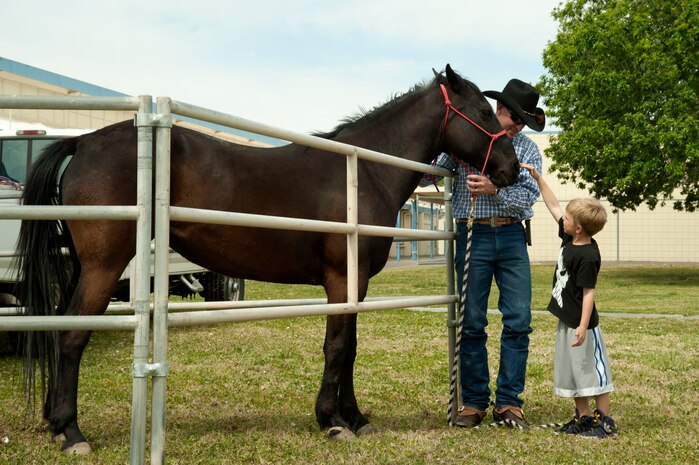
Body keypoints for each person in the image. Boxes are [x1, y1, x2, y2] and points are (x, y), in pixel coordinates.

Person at [422, 79, 545, 429]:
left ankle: (509, 403)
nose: (519, 125)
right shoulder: (467, 139)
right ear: (499, 109)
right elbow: (433, 160)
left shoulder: (528, 150)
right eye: (515, 117)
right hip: (471, 233)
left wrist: (495, 189)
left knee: (518, 320)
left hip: (510, 235)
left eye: (524, 121)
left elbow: (527, 199)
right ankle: (474, 402)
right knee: (472, 321)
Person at [521, 162, 617, 438]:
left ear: (579, 228)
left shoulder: (588, 256)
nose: (562, 218)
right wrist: (539, 178)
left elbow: (589, 293)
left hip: (582, 325)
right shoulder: (570, 237)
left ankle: (604, 421)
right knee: (573, 371)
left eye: (568, 218)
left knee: (592, 372)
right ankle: (583, 418)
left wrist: (583, 326)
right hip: (567, 319)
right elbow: (553, 206)